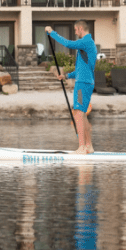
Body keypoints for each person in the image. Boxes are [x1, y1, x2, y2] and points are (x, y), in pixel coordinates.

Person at [46, 21, 97, 154]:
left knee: (78, 114)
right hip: (86, 82)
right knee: (82, 114)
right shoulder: (88, 44)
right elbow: (82, 69)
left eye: (75, 30)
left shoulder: (86, 41)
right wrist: (67, 76)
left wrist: (52, 33)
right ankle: (88, 146)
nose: (75, 32)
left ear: (81, 28)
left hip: (82, 84)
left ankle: (81, 147)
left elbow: (68, 44)